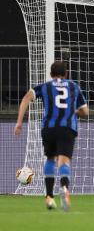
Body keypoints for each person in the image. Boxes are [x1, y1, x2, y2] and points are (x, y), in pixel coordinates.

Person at [14, 61, 89, 211]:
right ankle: (64, 187)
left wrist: (19, 122)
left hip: (49, 128)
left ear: (50, 74)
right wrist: (73, 112)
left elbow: (26, 98)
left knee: (50, 158)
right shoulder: (74, 87)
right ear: (66, 73)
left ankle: (49, 197)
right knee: (64, 160)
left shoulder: (45, 87)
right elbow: (85, 112)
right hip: (67, 127)